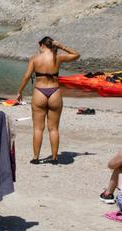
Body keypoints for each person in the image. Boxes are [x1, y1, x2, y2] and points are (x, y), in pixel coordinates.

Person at [15, 36, 80, 164]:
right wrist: (62, 46)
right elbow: (76, 55)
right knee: (54, 129)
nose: (39, 49)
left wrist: (20, 91)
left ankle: (36, 158)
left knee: (38, 128)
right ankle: (55, 158)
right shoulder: (58, 57)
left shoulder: (35, 59)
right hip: (54, 92)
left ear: (42, 45)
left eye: (39, 46)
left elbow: (27, 76)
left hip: (40, 91)